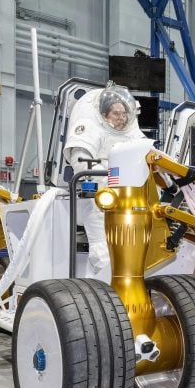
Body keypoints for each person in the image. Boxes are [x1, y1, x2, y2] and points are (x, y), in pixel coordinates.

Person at [63, 82, 145, 281]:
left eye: (124, 113)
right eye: (116, 113)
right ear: (105, 114)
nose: (121, 117)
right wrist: (107, 170)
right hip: (101, 190)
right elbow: (80, 162)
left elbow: (149, 155)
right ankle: (103, 264)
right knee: (98, 204)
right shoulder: (91, 128)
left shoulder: (132, 133)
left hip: (130, 189)